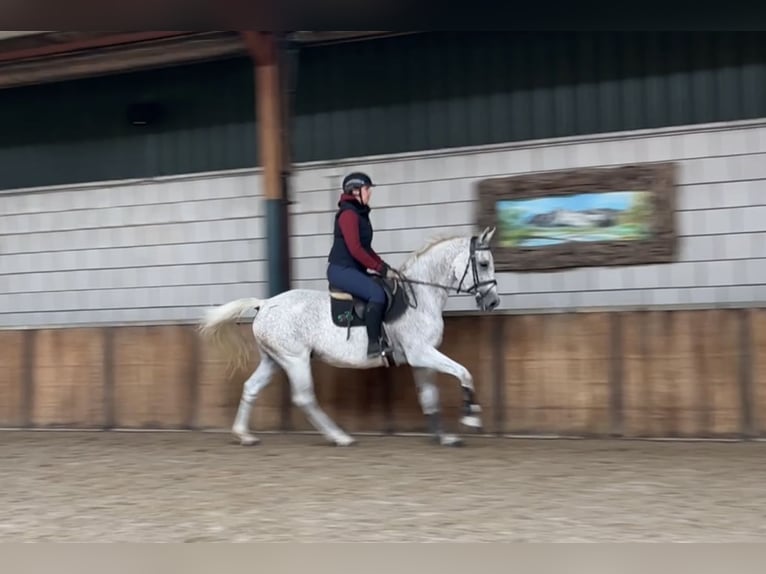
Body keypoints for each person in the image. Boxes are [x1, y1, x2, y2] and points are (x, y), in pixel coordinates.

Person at [327, 171, 397, 359]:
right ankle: (374, 344)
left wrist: (384, 267)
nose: (370, 193)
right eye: (367, 189)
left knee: (382, 285)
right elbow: (356, 249)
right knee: (376, 294)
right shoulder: (348, 215)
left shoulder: (360, 214)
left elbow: (366, 248)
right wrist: (379, 268)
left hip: (353, 269)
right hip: (341, 270)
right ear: (355, 191)